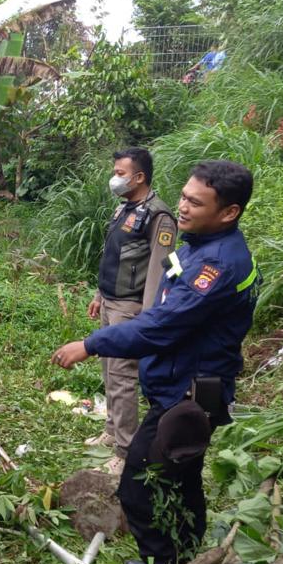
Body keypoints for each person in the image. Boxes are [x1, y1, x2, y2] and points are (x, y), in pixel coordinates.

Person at [50, 160, 259, 564]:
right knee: (183, 478)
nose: (183, 206)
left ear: (229, 212)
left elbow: (160, 326)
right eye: (183, 196)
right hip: (184, 385)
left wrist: (90, 345)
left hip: (188, 396)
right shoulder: (199, 243)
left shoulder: (217, 266)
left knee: (139, 487)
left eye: (195, 202)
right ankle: (187, 557)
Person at [86, 148, 176, 475]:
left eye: (120, 173)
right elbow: (114, 255)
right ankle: (112, 429)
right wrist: (100, 294)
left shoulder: (159, 216)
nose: (115, 178)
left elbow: (158, 270)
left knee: (123, 377)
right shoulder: (124, 208)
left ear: (139, 177)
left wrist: (149, 317)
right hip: (111, 300)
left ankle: (125, 451)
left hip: (131, 307)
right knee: (109, 370)